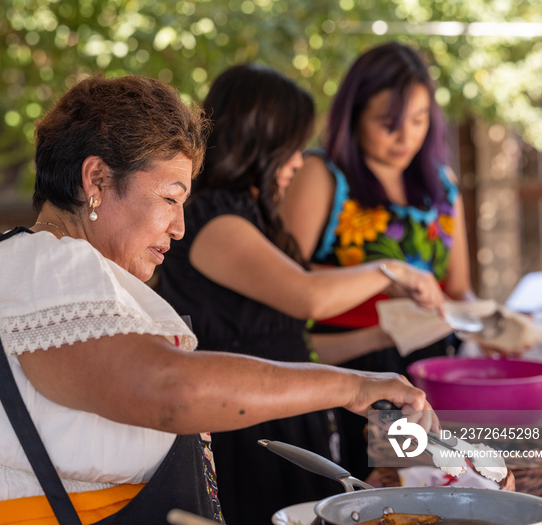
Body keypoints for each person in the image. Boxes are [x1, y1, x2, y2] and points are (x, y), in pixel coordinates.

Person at [0, 73, 438, 525]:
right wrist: (352, 387)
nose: (179, 227)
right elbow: (168, 389)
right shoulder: (48, 265)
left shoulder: (10, 266)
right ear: (97, 179)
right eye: (170, 197)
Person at [155, 64, 444, 525]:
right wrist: (391, 269)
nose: (298, 161)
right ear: (257, 141)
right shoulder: (212, 221)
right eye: (291, 147)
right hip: (246, 437)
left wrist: (381, 338)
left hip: (286, 425)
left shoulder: (253, 219)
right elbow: (308, 298)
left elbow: (289, 343)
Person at [279, 41, 475, 480]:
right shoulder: (323, 174)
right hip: (350, 372)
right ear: (354, 116)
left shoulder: (442, 185)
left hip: (429, 370)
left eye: (419, 121)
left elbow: (458, 289)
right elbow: (284, 281)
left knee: (439, 489)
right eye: (388, 123)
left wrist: (490, 325)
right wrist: (377, 280)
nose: (406, 137)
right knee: (370, 493)